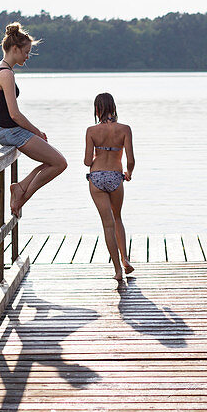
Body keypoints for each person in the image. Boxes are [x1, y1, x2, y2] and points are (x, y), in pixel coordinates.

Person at [0, 22, 67, 216]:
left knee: (53, 162)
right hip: (11, 131)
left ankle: (21, 187)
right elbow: (14, 114)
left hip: (7, 131)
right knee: (60, 163)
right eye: (26, 51)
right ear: (15, 49)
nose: (27, 56)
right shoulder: (5, 74)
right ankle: (23, 194)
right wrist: (36, 131)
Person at [83, 92, 135, 284]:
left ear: (97, 109)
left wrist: (98, 156)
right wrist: (128, 172)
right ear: (114, 107)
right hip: (115, 176)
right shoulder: (125, 129)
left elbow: (87, 161)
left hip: (96, 177)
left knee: (107, 225)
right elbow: (131, 159)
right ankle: (126, 258)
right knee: (118, 218)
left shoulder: (91, 131)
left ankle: (117, 270)